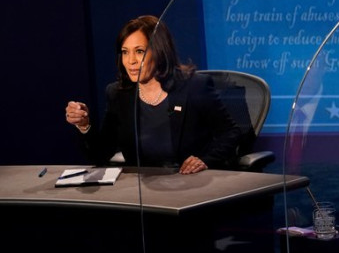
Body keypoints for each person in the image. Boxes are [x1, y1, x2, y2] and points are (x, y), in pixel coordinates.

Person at [65, 15, 241, 174]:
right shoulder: (118, 94)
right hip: (143, 192)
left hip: (190, 184)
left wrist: (205, 161)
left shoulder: (193, 86)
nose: (131, 61)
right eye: (125, 52)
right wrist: (84, 125)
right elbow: (100, 155)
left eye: (139, 51)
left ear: (159, 51)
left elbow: (230, 133)